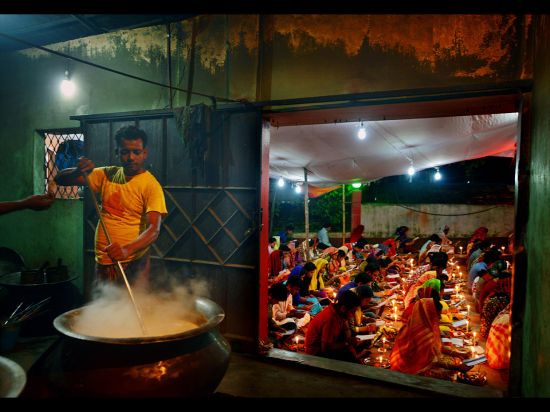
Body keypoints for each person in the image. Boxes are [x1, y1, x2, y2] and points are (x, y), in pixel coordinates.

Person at [55, 125, 167, 285]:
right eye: (125, 152)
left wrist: (126, 250)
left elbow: (154, 230)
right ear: (117, 153)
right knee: (106, 307)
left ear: (144, 153)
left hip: (134, 262)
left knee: (130, 306)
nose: (131, 157)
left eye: (136, 152)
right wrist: (79, 171)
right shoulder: (107, 174)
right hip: (104, 261)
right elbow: (60, 179)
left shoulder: (151, 185)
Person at [305, 290, 368, 363]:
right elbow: (326, 349)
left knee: (362, 344)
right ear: (343, 308)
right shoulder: (331, 319)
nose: (353, 315)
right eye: (352, 312)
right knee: (353, 362)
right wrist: (347, 343)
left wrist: (350, 342)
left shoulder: (339, 313)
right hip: (316, 355)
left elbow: (346, 334)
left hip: (329, 346)